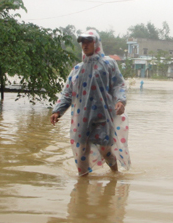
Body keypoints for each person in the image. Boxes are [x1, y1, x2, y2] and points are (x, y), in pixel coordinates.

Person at [50, 30, 131, 175]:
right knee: (81, 149)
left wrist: (120, 101)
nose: (85, 45)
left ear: (96, 43)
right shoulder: (77, 70)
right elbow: (67, 93)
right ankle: (83, 183)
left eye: (89, 41)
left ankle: (114, 175)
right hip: (81, 118)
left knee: (105, 149)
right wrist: (57, 111)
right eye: (83, 42)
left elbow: (118, 85)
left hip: (103, 117)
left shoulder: (108, 64)